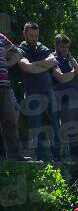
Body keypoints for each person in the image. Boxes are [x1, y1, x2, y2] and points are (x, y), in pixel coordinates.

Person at [17, 22, 61, 161]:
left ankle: (57, 157)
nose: (34, 38)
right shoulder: (20, 49)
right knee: (36, 127)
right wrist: (44, 65)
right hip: (33, 94)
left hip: (49, 92)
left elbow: (53, 60)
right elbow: (27, 67)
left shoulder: (42, 46)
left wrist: (35, 65)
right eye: (31, 35)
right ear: (24, 34)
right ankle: (39, 158)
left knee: (55, 125)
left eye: (36, 35)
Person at [0, 30, 25, 159]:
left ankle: (15, 156)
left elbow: (18, 53)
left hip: (5, 85)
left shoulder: (2, 38)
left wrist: (6, 63)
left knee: (10, 120)